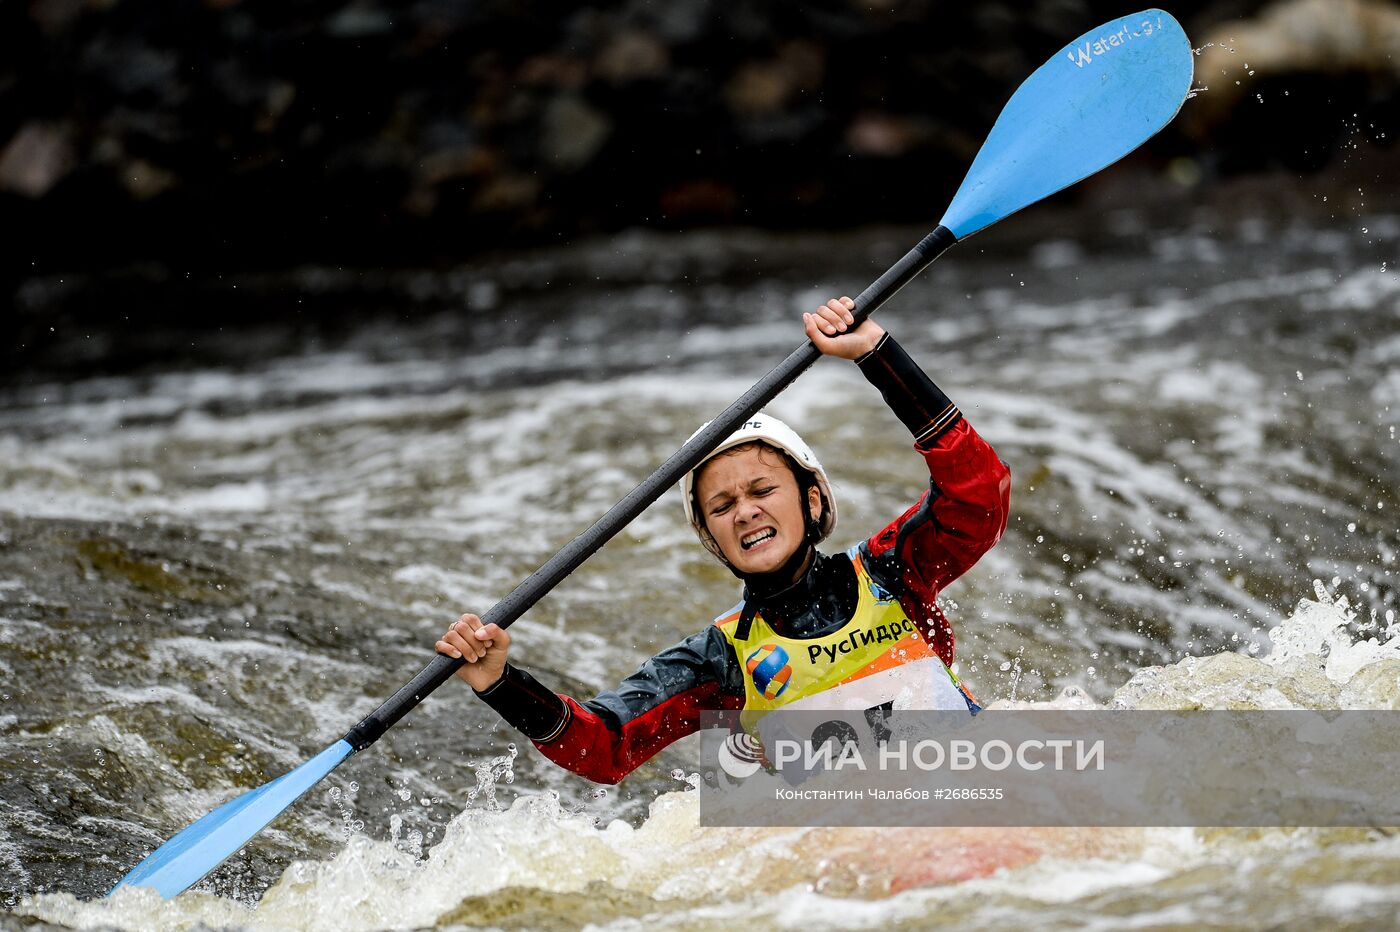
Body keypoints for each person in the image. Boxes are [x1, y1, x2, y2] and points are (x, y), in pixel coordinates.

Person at [436, 296, 1011, 784]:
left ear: (812, 500)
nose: (744, 513)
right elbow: (605, 747)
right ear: (711, 536)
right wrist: (500, 684)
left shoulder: (891, 572)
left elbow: (979, 495)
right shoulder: (719, 659)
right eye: (722, 505)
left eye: (762, 489)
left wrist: (878, 354)